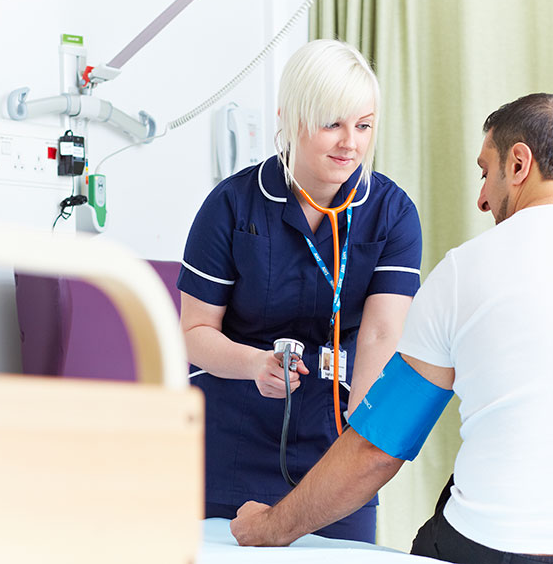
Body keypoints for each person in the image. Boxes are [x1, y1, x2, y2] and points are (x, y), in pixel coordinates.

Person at [230, 93, 553, 563]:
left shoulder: (469, 271)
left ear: (519, 164)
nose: (483, 199)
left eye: (486, 173)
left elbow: (378, 448)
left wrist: (272, 527)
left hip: (496, 543)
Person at [177, 39, 422, 542]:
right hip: (231, 442)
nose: (350, 143)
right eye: (332, 123)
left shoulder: (393, 213)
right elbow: (195, 331)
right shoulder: (232, 206)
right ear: (291, 119)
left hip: (335, 452)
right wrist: (254, 365)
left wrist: (363, 428)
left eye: (363, 125)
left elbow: (381, 331)